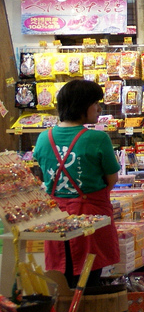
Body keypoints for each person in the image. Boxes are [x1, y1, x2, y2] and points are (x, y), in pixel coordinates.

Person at [35, 80, 120, 287]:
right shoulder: (98, 138)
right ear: (81, 105)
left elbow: (42, 175)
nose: (100, 108)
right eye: (95, 103)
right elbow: (111, 180)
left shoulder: (43, 138)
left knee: (61, 280)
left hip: (55, 217)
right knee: (88, 281)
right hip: (91, 218)